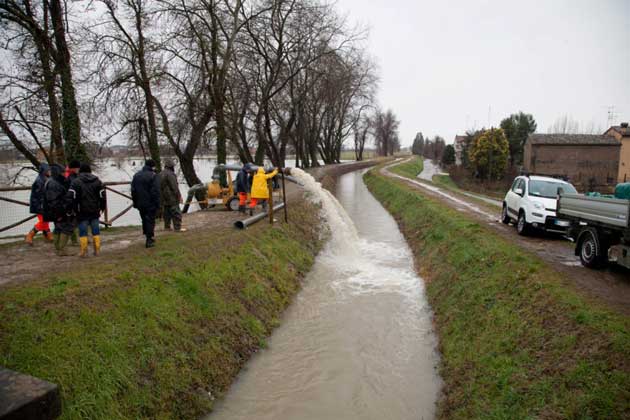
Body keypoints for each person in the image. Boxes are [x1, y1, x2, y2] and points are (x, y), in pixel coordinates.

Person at [68, 163, 106, 257]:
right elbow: (102, 196)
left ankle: (84, 251)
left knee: (83, 231)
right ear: (90, 171)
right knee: (95, 230)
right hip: (95, 209)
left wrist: (71, 209)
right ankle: (97, 250)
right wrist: (102, 207)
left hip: (81, 210)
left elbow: (71, 196)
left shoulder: (76, 182)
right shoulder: (97, 181)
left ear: (80, 171)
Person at [43, 164, 74, 256]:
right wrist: (61, 212)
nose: (65, 173)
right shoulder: (54, 183)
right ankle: (61, 249)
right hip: (58, 211)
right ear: (58, 173)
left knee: (58, 228)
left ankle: (58, 249)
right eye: (63, 172)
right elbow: (54, 201)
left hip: (55, 210)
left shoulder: (53, 181)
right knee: (66, 228)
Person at [131, 159, 160, 248]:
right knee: (150, 220)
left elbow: (133, 190)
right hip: (150, 202)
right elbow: (155, 191)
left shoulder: (136, 175)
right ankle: (149, 239)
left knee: (144, 219)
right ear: (152, 166)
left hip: (140, 202)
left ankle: (147, 235)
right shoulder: (153, 176)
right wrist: (157, 203)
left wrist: (135, 202)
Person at [25, 163, 53, 245]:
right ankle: (29, 236)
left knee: (45, 220)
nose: (50, 172)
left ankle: (48, 236)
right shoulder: (39, 181)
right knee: (43, 221)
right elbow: (39, 196)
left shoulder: (46, 179)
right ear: (44, 171)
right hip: (39, 205)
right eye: (48, 170)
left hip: (44, 204)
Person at [159, 159, 186, 232]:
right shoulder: (170, 174)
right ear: (171, 166)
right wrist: (179, 196)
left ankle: (167, 227)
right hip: (172, 197)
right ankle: (177, 228)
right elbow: (174, 186)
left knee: (166, 212)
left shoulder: (160, 173)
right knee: (176, 212)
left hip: (163, 197)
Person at [64, 160, 81, 246]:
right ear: (74, 168)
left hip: (74, 201)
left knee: (75, 222)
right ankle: (72, 240)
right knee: (72, 222)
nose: (79, 169)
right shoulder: (70, 177)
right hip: (72, 202)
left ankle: (76, 239)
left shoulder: (72, 176)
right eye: (78, 167)